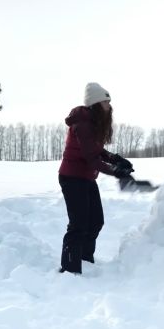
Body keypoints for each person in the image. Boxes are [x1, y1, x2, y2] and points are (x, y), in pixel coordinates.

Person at [57, 82, 133, 274]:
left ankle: (85, 260)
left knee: (95, 221)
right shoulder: (82, 124)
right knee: (78, 224)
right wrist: (115, 171)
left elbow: (96, 150)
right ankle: (70, 269)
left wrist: (115, 158)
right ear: (96, 103)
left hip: (85, 178)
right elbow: (92, 158)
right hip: (72, 178)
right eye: (106, 102)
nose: (109, 106)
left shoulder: (91, 122)